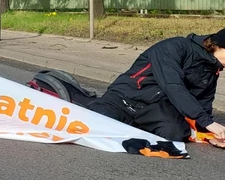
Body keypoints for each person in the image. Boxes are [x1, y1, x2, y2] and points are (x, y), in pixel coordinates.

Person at [88, 30, 225, 146]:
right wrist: (208, 123)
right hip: (124, 99)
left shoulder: (213, 70)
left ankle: (135, 127)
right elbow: (173, 86)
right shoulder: (174, 47)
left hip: (155, 108)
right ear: (220, 47)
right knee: (95, 125)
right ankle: (79, 98)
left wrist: (210, 134)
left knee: (174, 132)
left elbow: (203, 105)